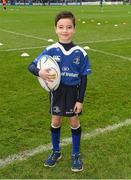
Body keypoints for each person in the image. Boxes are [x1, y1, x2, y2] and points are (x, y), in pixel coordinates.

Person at [28, 11, 91, 172]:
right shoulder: (50, 50)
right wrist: (39, 72)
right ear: (55, 29)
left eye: (69, 27)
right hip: (56, 91)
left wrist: (80, 100)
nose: (65, 31)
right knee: (56, 121)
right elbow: (31, 66)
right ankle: (56, 152)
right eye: (61, 27)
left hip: (73, 92)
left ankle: (76, 154)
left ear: (74, 29)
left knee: (73, 122)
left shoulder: (81, 53)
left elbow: (84, 78)